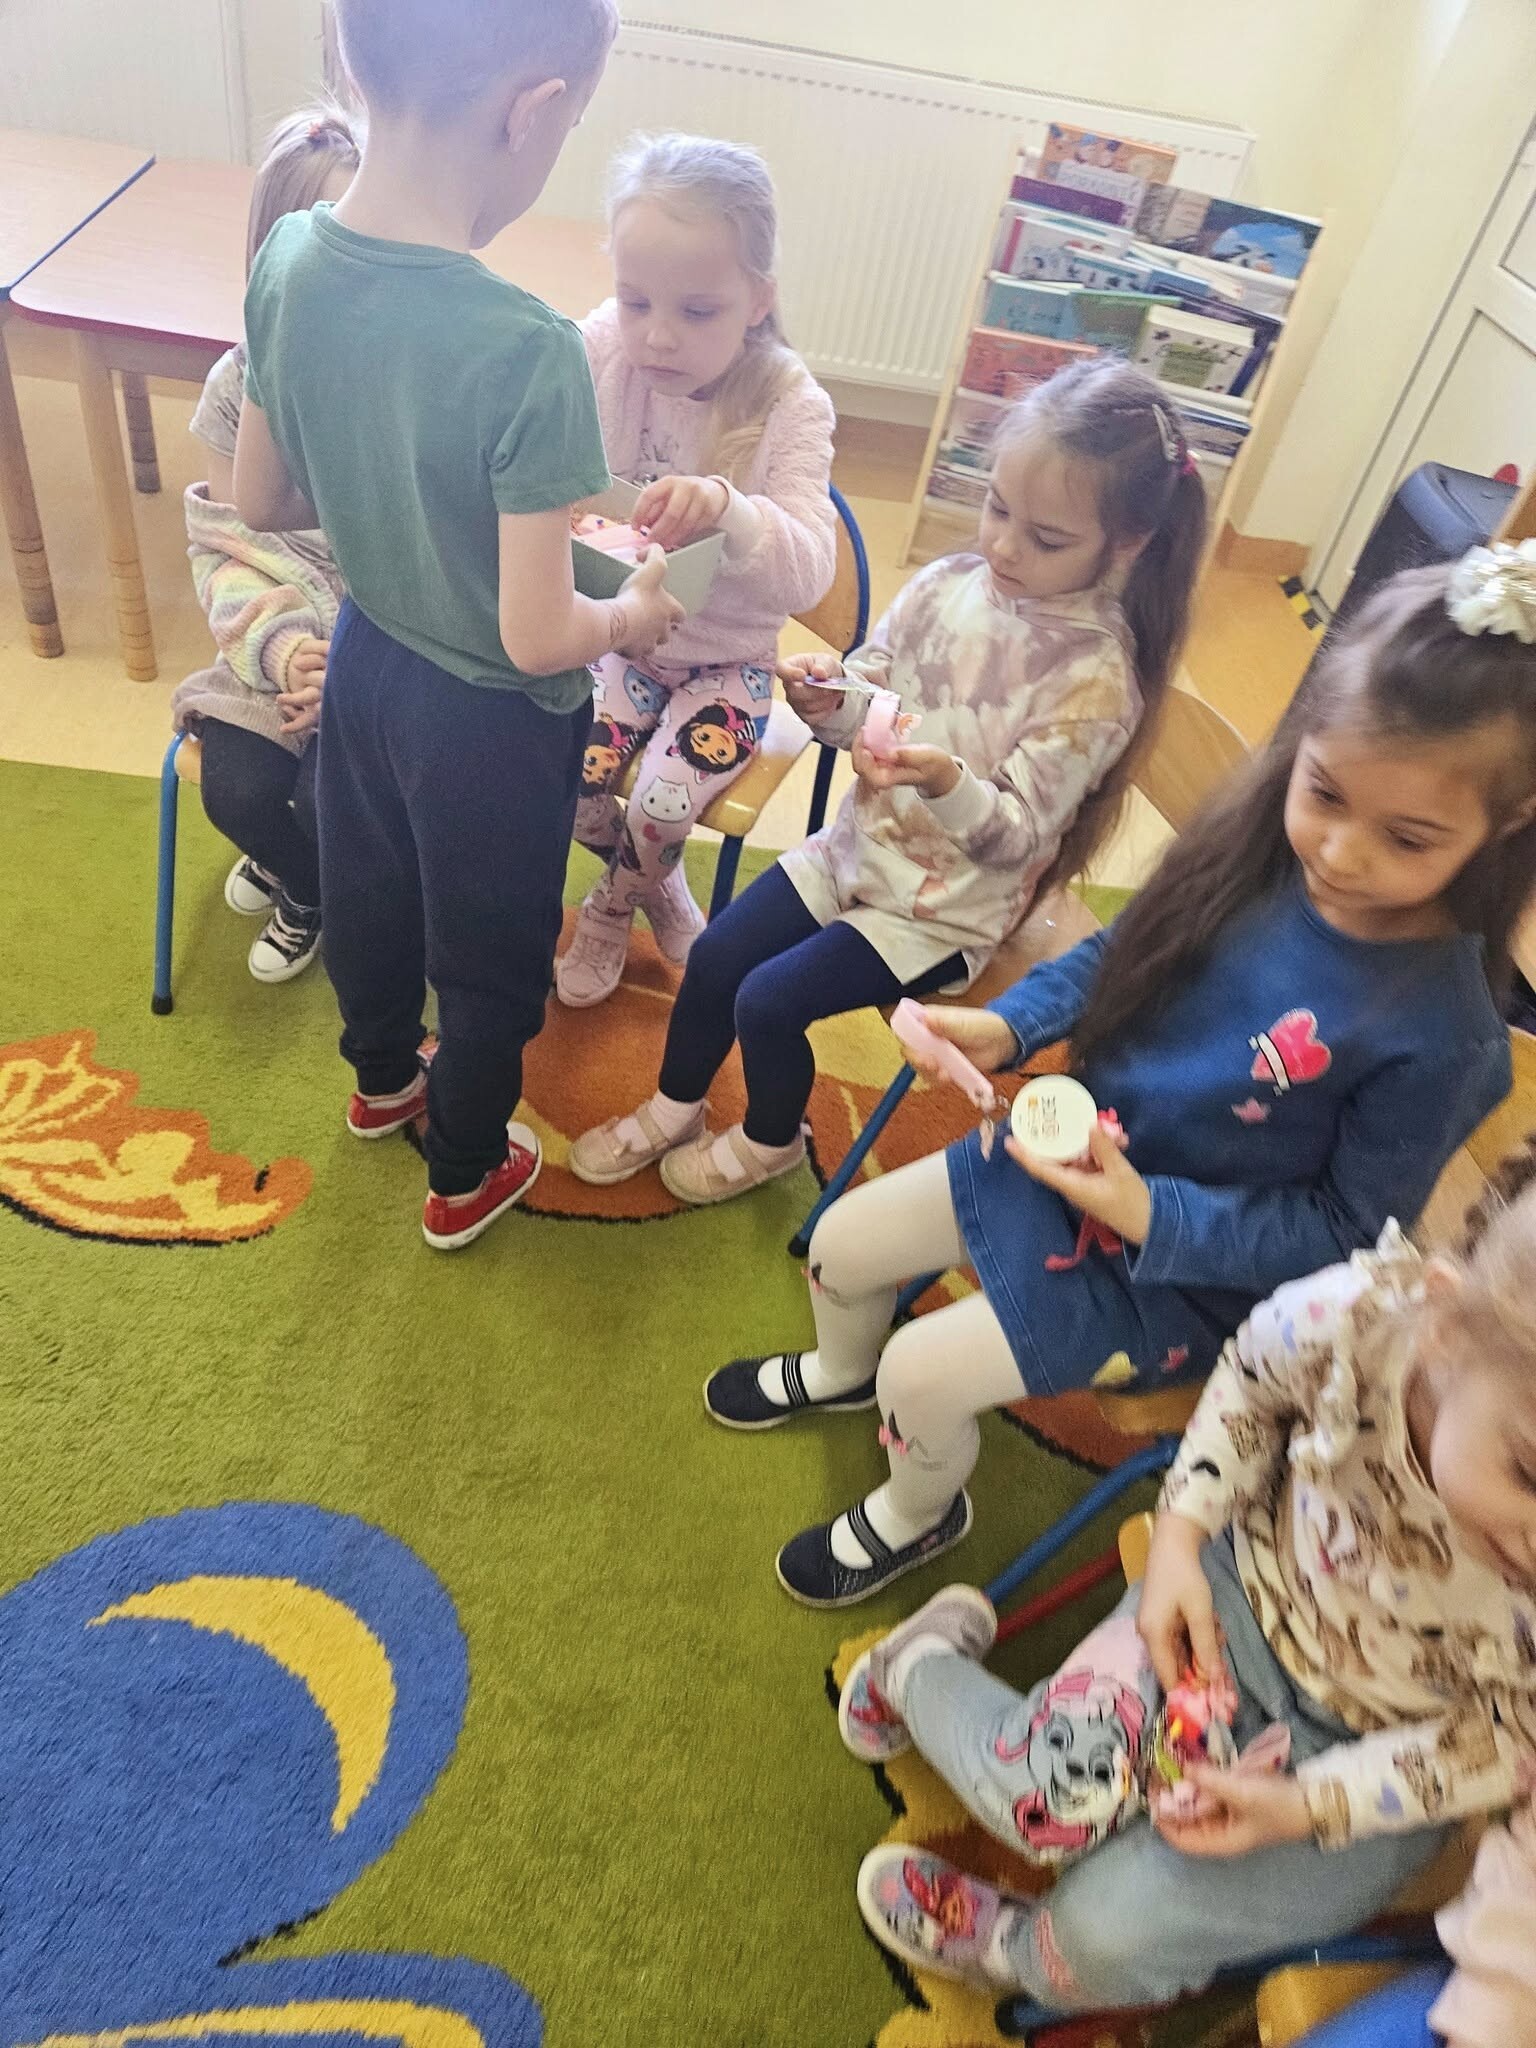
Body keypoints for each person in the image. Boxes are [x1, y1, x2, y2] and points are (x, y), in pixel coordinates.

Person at [721, 545, 1536, 1607]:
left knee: (919, 1377)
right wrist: (1008, 1026)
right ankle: (842, 1374)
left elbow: (1343, 1235)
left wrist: (1148, 1211)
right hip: (1073, 1156)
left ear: (1508, 823)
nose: (1338, 853)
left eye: (1408, 837)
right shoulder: (1258, 860)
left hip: (1180, 1274)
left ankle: (920, 1512)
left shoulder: (1447, 1038)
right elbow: (1119, 953)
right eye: (1324, 791)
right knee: (839, 1245)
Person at [839, 1168, 1536, 2016]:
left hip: (1382, 1767)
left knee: (1099, 1941)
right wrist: (1179, 1535)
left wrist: (1308, 1806)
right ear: (1447, 1329)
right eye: (1530, 1472)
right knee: (1041, 1795)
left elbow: (1502, 1741)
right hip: (1232, 1606)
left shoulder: (1492, 1406)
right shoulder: (1358, 1318)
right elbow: (1251, 1380)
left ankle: (1012, 1949)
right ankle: (916, 1665)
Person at [232, 0, 682, 1251]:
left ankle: (382, 1081)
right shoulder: (526, 346)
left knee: (369, 892)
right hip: (489, 720)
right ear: (534, 109)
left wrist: (392, 499)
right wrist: (635, 609)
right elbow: (538, 637)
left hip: (366, 656)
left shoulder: (289, 257)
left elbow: (261, 496)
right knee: (489, 958)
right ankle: (468, 1168)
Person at [572, 355, 1205, 1203]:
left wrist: (945, 781)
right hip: (854, 852)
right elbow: (870, 693)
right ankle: (676, 1104)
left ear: (1128, 543)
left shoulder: (1095, 680)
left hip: (940, 914)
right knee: (719, 955)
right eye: (997, 508)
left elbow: (1017, 838)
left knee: (768, 1003)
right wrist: (830, 697)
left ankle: (771, 1141)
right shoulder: (948, 584)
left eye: (1047, 539)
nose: (1003, 546)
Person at [556, 133, 837, 1007]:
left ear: (759, 300)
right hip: (620, 636)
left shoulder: (791, 402)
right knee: (564, 772)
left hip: (729, 661)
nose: (658, 336)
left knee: (663, 805)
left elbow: (812, 572)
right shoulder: (603, 349)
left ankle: (612, 907)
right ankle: (659, 882)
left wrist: (730, 507)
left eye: (698, 310)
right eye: (634, 299)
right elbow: (532, 437)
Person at [172, 104, 360, 984]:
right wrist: (285, 652)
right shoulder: (237, 381)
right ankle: (307, 884)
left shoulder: (397, 380)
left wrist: (345, 667)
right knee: (236, 791)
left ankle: (310, 867)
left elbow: (426, 561)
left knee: (331, 804)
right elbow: (228, 551)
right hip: (273, 642)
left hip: (369, 653)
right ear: (266, 256)